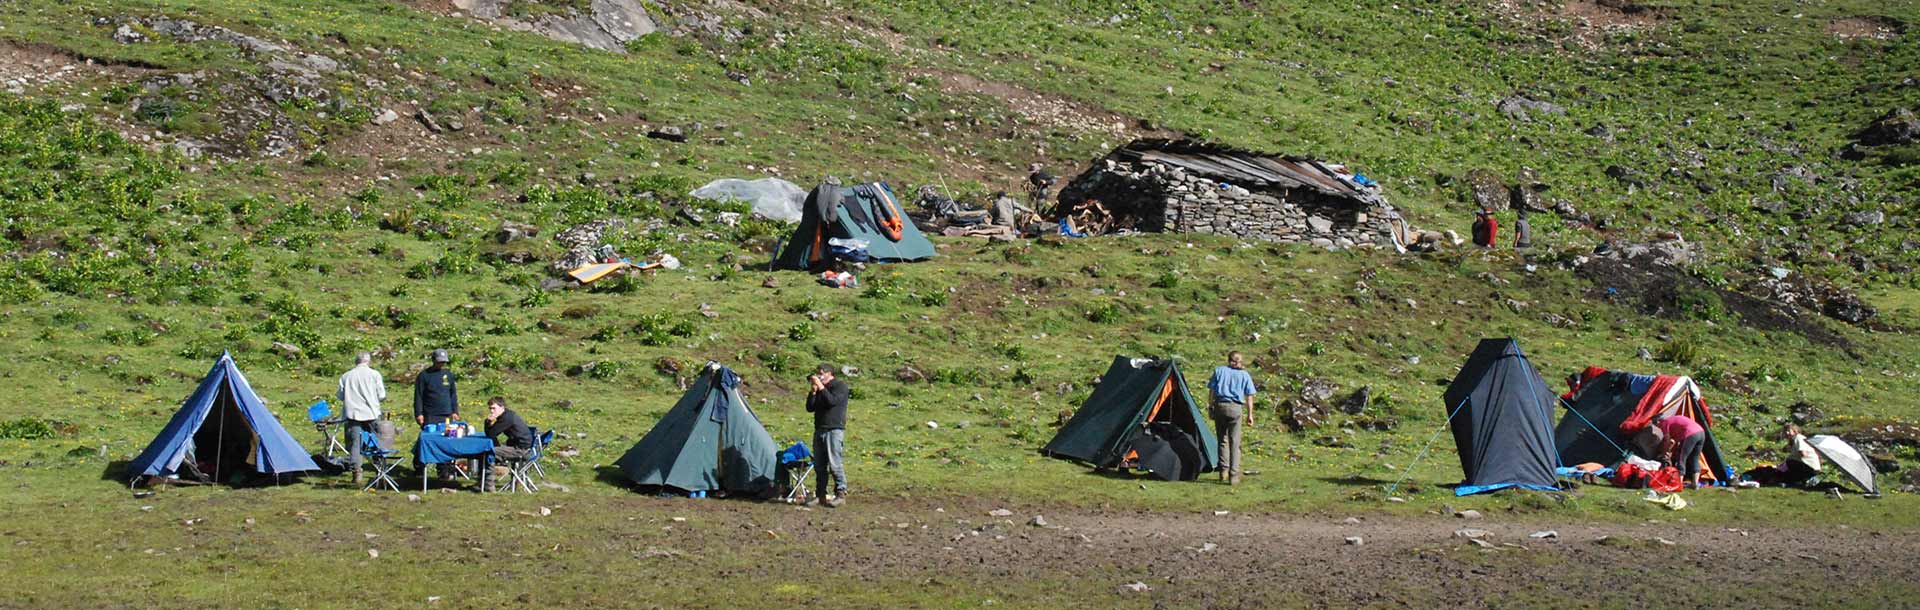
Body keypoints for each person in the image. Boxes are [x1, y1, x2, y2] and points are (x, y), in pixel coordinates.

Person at [336, 352, 387, 485]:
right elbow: (381, 395)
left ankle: (357, 472)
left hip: (353, 414)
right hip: (371, 413)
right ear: (368, 361)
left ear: (356, 362)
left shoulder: (346, 376)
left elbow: (340, 396)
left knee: (355, 444)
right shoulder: (374, 375)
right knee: (375, 441)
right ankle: (379, 469)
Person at [1206, 352, 1257, 485]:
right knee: (1235, 442)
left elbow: (1211, 391)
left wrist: (1210, 407)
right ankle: (1233, 475)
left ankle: (1223, 471)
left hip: (1220, 405)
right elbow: (1249, 396)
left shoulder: (1219, 371)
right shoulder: (1244, 375)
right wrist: (1250, 414)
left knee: (1222, 440)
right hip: (1235, 408)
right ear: (1233, 361)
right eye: (1239, 360)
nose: (1240, 363)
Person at [805, 363, 850, 506]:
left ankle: (841, 494)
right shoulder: (819, 389)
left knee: (834, 463)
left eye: (821, 374)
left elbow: (831, 401)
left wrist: (821, 387)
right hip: (819, 429)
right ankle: (820, 495)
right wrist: (813, 392)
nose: (819, 377)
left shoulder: (840, 386)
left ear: (829, 373)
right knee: (819, 464)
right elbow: (809, 408)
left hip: (834, 429)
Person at [413, 349, 459, 477]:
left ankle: (444, 470)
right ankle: (419, 468)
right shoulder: (424, 376)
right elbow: (418, 396)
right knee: (426, 440)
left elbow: (453, 394)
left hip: (447, 414)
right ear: (433, 360)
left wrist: (455, 411)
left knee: (445, 441)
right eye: (439, 362)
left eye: (443, 362)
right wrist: (419, 413)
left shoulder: (448, 374)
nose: (441, 364)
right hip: (430, 414)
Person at [1741, 424, 1821, 487]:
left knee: (1790, 463)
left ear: (1795, 431)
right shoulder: (1797, 440)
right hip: (1811, 468)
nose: (1787, 433)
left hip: (1810, 468)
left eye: (1789, 431)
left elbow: (1803, 453)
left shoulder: (1798, 438)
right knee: (1787, 466)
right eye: (1785, 431)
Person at [483, 397, 533, 489]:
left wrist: (488, 422)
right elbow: (492, 434)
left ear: (502, 407)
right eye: (490, 408)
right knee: (492, 449)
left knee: (488, 451)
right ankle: (484, 482)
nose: (491, 411)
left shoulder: (507, 418)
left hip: (521, 450)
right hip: (520, 446)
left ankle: (488, 485)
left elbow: (491, 433)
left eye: (494, 408)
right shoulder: (507, 415)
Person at [1654, 413, 1707, 488]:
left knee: (1681, 458)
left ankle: (1679, 484)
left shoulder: (1665, 423)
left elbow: (1667, 440)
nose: (1658, 427)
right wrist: (1669, 451)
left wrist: (1663, 453)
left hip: (1690, 434)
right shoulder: (1674, 420)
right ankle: (1695, 484)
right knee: (1694, 458)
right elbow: (1672, 441)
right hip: (1701, 433)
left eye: (1656, 425)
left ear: (1658, 421)